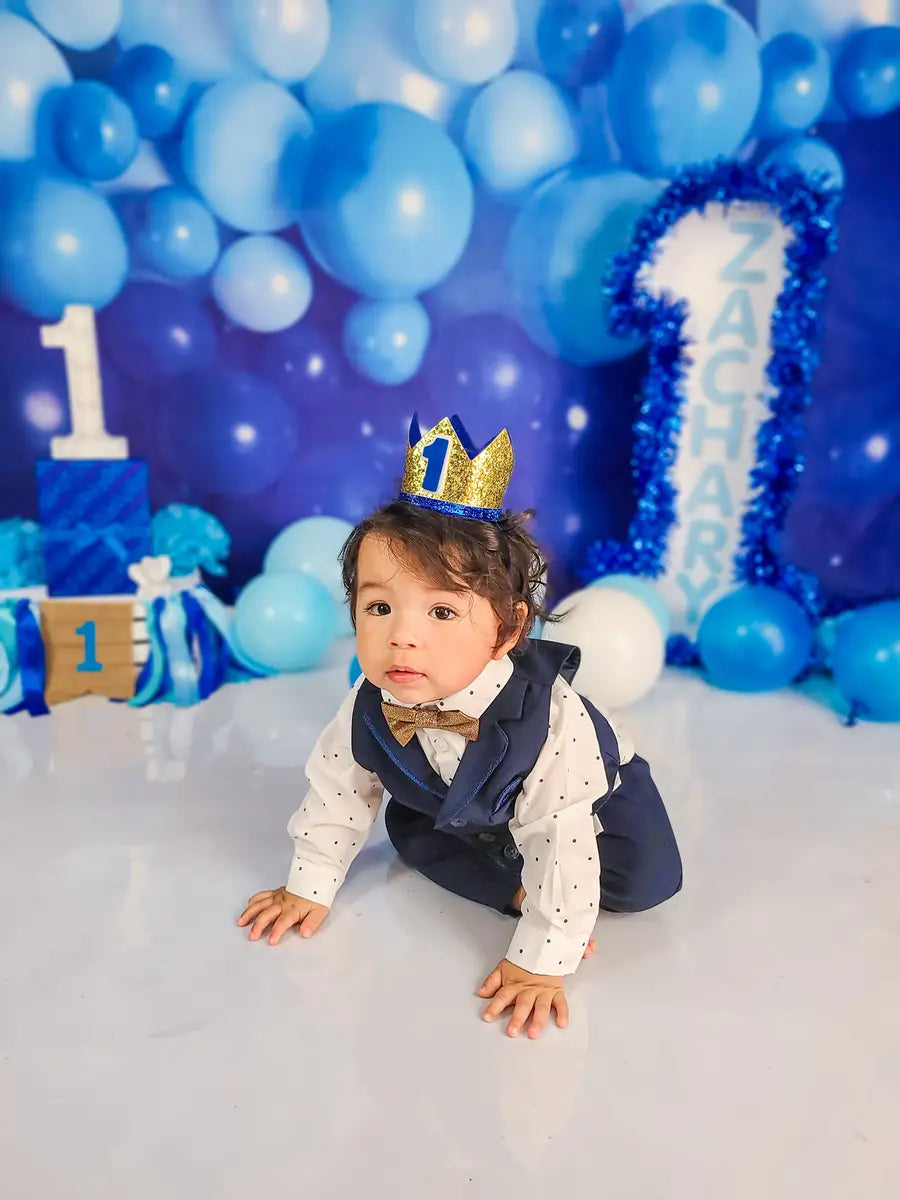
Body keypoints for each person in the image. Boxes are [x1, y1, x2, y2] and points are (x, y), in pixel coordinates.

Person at [238, 415, 682, 1039]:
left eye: (442, 610)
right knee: (413, 834)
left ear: (507, 630)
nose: (403, 634)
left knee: (641, 885)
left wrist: (541, 960)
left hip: (590, 804)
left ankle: (547, 897)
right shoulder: (372, 702)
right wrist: (308, 885)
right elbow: (340, 790)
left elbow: (562, 836)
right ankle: (512, 886)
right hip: (460, 809)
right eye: (379, 606)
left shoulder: (547, 722)